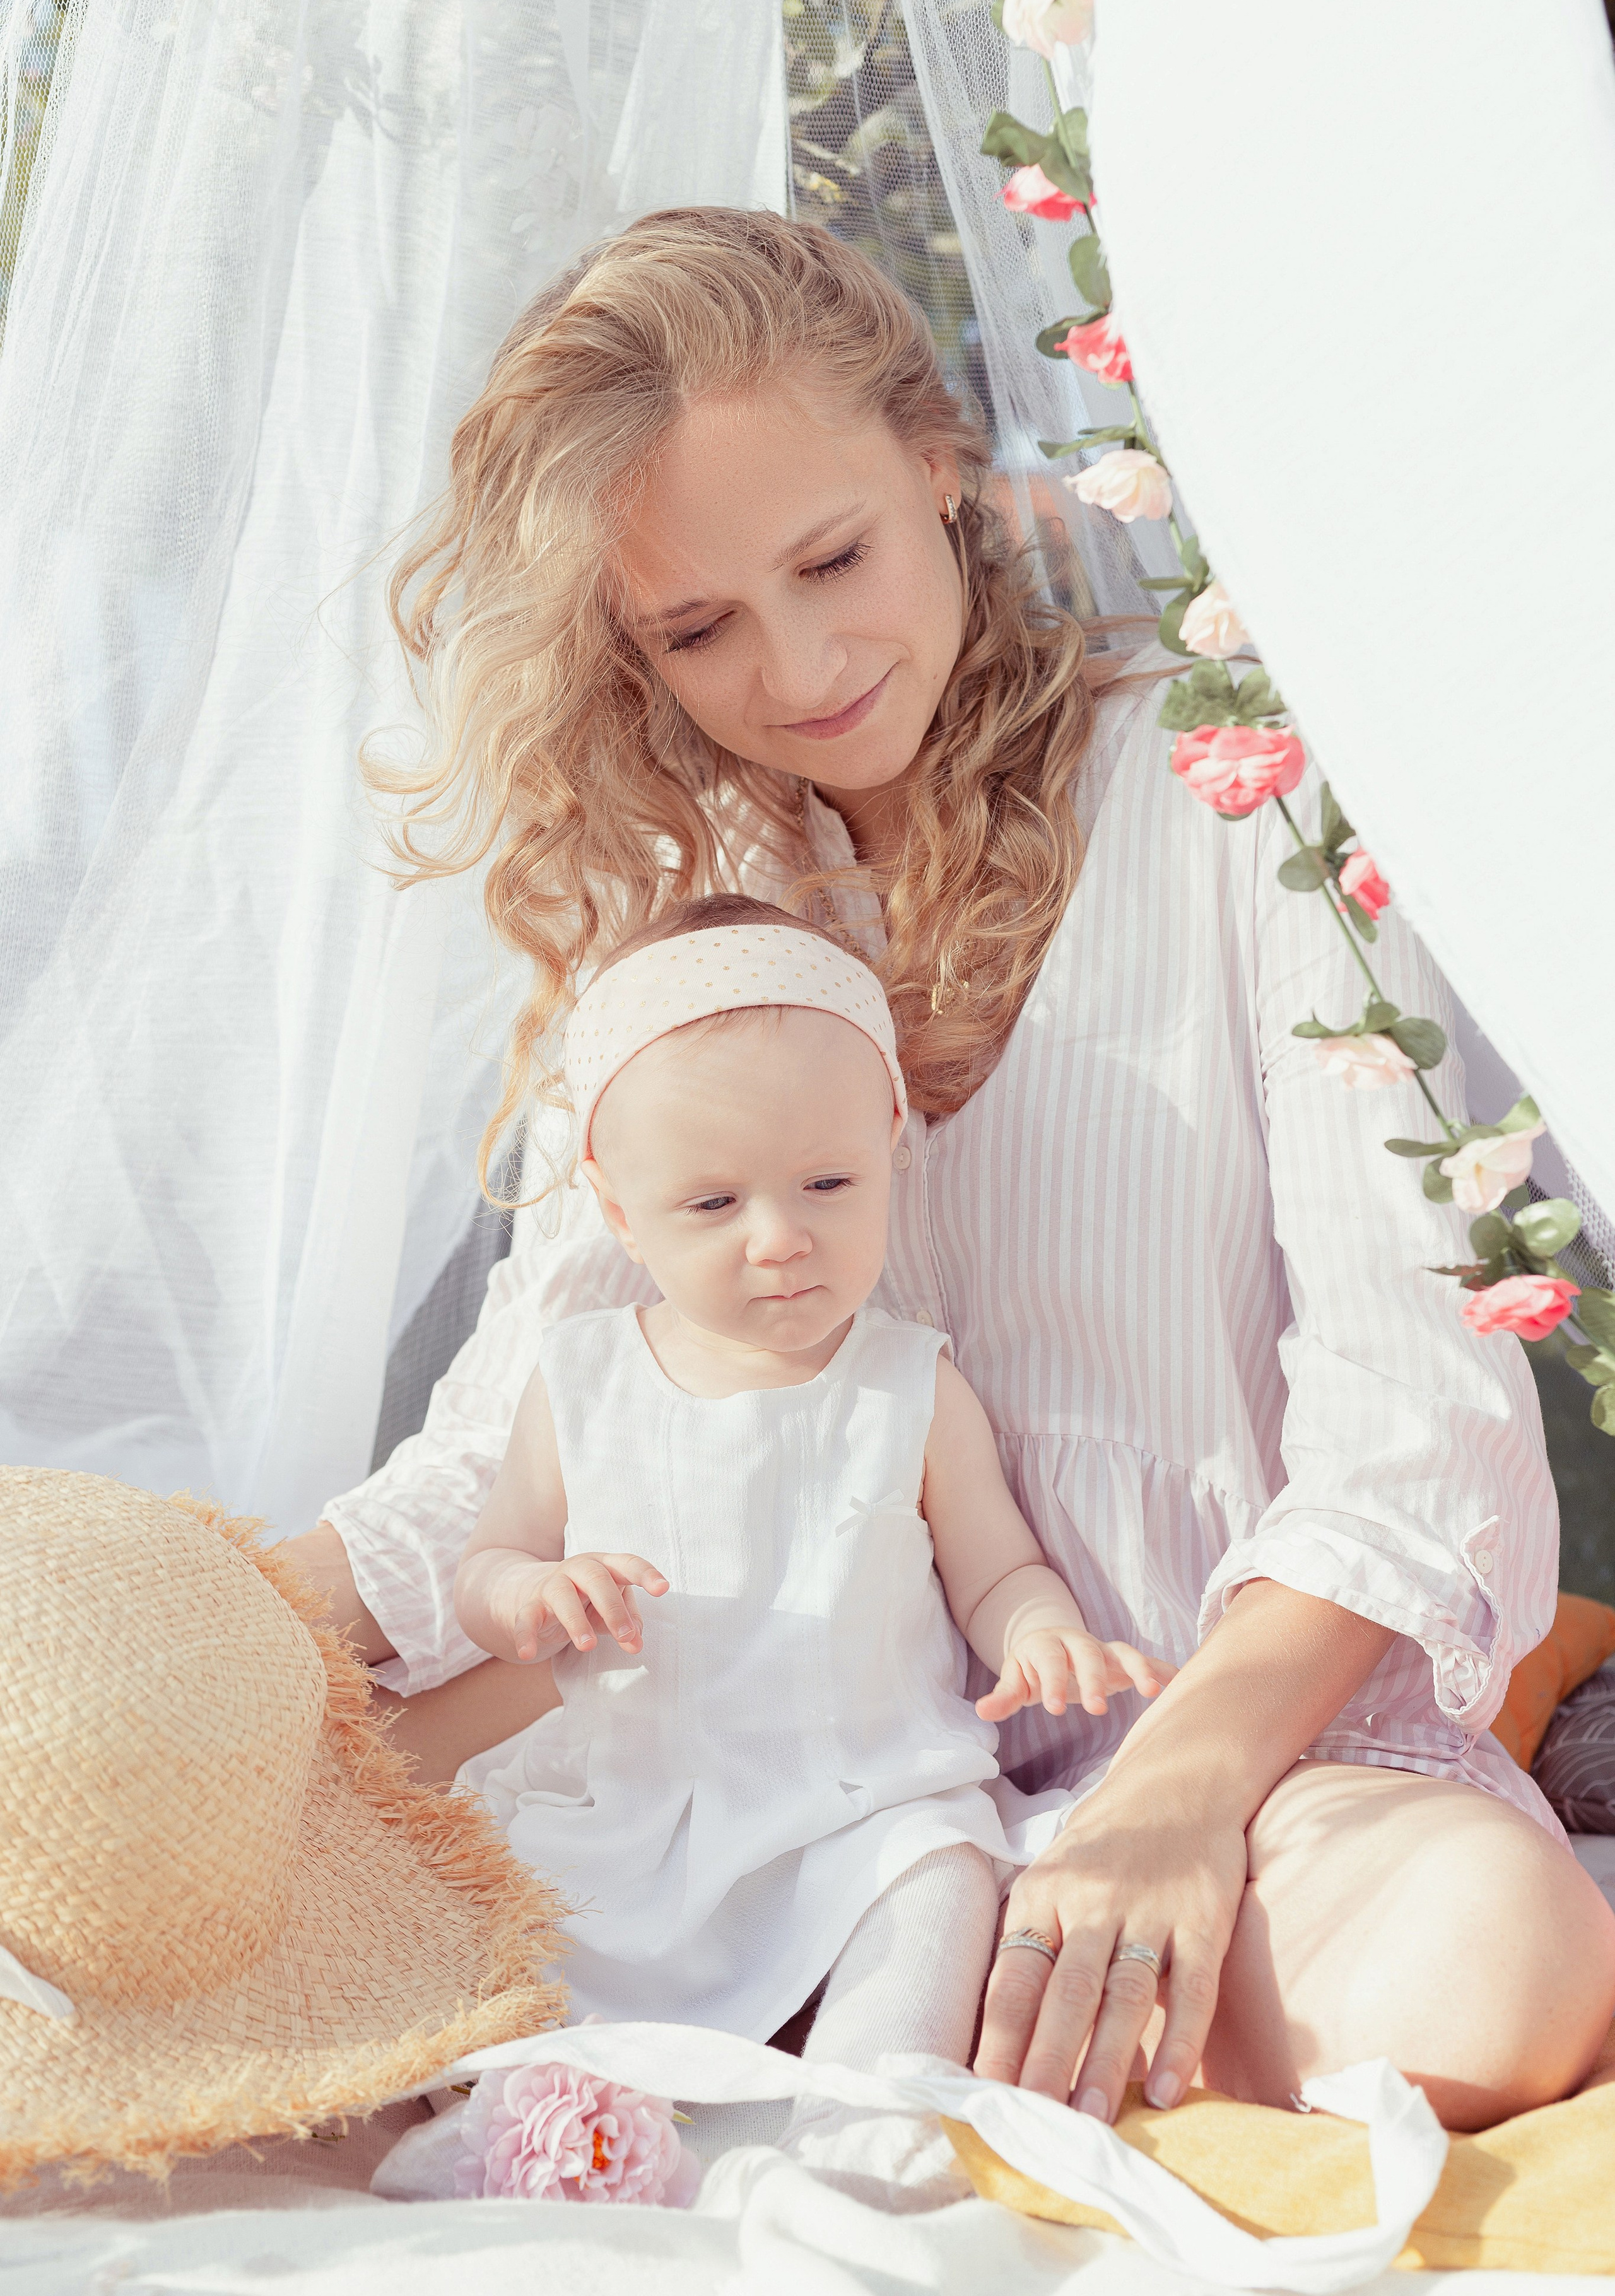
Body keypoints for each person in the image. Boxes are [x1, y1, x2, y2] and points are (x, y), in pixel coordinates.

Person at [282, 206, 1615, 2136]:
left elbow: (1411, 1412)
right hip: (786, 1781)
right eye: (697, 627)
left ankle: (894, 2014)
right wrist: (248, 1619)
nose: (804, 665)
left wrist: (1177, 1796)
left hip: (1246, 1756)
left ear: (944, 471)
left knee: (1495, 1969)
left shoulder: (1239, 791)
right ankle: (899, 1990)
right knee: (312, 1875)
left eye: (833, 559)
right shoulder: (683, 914)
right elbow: (527, 1416)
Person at [452, 895, 1167, 2090]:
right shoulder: (583, 1379)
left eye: (827, 1183)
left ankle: (870, 2118)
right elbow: (488, 1566)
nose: (779, 1238)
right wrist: (534, 1592)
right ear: (622, 1211)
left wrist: (1041, 1635)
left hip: (863, 1801)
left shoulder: (906, 1383)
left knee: (939, 1873)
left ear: (891, 1142)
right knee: (516, 1931)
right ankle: (553, 2118)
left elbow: (995, 1566)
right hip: (650, 1808)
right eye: (714, 1204)